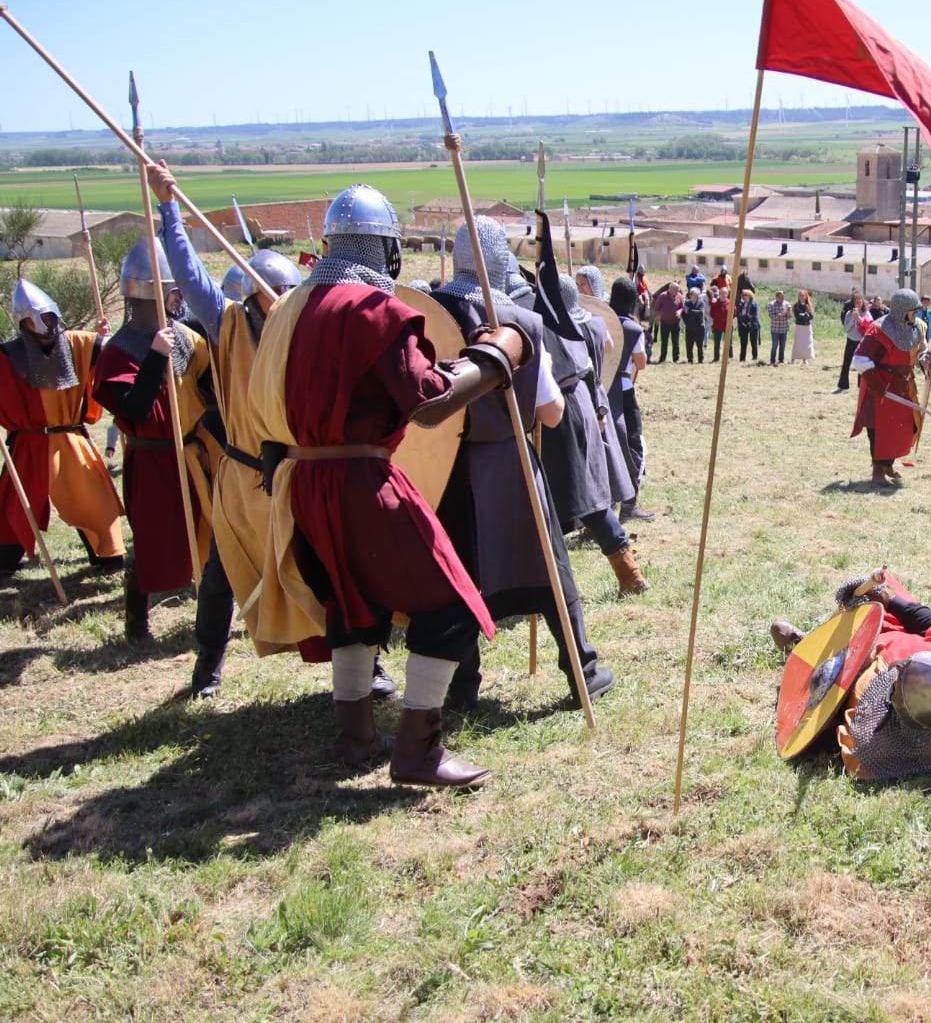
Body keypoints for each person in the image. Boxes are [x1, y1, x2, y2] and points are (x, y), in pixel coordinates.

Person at [245, 183, 537, 788]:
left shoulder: (293, 307)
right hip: (358, 480)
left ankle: (355, 735)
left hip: (304, 479)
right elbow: (428, 403)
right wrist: (496, 355)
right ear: (387, 250)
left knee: (353, 601)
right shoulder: (370, 311)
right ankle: (417, 752)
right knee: (451, 604)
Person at [147, 162, 382, 698]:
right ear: (250, 293)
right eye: (267, 292)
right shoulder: (224, 323)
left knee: (330, 569)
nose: (274, 299)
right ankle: (207, 667)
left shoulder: (305, 322)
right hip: (242, 477)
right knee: (220, 576)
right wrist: (168, 210)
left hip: (296, 473)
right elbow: (188, 275)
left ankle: (366, 668)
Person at [428, 217, 620, 710]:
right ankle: (583, 673)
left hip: (445, 467)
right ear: (498, 260)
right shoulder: (519, 322)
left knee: (457, 572)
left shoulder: (429, 315)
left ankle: (459, 685)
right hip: (509, 462)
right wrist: (545, 373)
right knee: (550, 568)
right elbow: (550, 415)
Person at [768, 571, 931, 781]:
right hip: (894, 634)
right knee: (876, 599)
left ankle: (805, 645)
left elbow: (830, 717)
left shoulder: (868, 720)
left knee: (838, 669)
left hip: (864, 657)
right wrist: (890, 600)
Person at [93, 241, 216, 645]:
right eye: (171, 291)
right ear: (152, 295)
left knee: (207, 536)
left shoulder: (185, 338)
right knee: (154, 542)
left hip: (194, 455)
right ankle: (136, 623)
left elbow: (210, 390)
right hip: (151, 462)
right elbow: (135, 410)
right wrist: (152, 358)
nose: (178, 299)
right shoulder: (118, 352)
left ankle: (210, 620)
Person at [0, 281, 125, 580]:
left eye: (44, 317)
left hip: (70, 439)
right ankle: (6, 556)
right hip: (29, 443)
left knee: (94, 500)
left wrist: (105, 341)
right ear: (22, 323)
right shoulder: (9, 355)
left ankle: (107, 554)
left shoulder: (78, 343)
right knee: (13, 506)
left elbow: (113, 351)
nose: (40, 324)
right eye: (31, 319)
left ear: (54, 315)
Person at [852, 289, 927, 486]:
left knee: (901, 427)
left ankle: (888, 465)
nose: (916, 314)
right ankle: (877, 470)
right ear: (902, 310)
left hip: (902, 385)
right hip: (880, 387)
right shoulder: (879, 330)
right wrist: (877, 385)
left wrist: (924, 358)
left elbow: (919, 350)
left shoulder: (914, 328)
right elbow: (860, 358)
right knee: (878, 429)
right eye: (913, 311)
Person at [605, 277, 654, 523]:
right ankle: (629, 504)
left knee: (606, 443)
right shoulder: (634, 330)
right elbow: (641, 362)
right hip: (623, 391)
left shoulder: (600, 321)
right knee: (633, 444)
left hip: (601, 389)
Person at [836, 293, 866, 392]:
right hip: (851, 341)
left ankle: (860, 386)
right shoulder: (849, 313)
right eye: (856, 303)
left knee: (861, 364)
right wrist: (853, 320)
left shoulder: (866, 313)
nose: (858, 305)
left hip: (861, 342)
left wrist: (859, 319)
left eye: (860, 302)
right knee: (846, 363)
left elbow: (868, 327)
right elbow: (846, 328)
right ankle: (842, 385)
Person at [652, 281, 682, 364]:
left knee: (675, 341)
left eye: (677, 290)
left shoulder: (679, 296)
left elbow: (682, 307)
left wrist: (680, 311)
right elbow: (656, 307)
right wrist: (662, 313)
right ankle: (662, 358)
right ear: (670, 289)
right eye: (675, 290)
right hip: (665, 322)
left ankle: (676, 359)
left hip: (676, 322)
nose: (676, 292)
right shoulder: (663, 296)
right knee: (664, 341)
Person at [735, 288, 760, 364]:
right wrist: (745, 317)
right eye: (743, 295)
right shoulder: (741, 304)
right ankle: (742, 359)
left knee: (753, 342)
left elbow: (754, 316)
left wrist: (745, 317)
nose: (744, 296)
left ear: (750, 296)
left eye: (746, 295)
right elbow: (738, 315)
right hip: (742, 325)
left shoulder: (754, 304)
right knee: (743, 343)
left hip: (752, 325)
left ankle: (754, 358)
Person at [681, 288, 706, 364]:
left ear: (696, 295)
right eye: (690, 294)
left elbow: (700, 313)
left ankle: (700, 360)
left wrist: (689, 311)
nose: (691, 295)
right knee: (689, 345)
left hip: (699, 327)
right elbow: (683, 314)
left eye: (692, 294)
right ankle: (690, 359)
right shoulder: (687, 302)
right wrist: (686, 322)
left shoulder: (701, 302)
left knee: (700, 345)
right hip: (689, 327)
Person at [791, 288, 816, 363]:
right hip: (799, 326)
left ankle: (805, 359)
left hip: (807, 327)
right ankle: (793, 358)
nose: (801, 297)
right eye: (800, 295)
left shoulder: (808, 305)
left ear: (806, 296)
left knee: (806, 343)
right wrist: (804, 316)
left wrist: (807, 314)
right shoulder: (796, 306)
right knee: (797, 343)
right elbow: (797, 316)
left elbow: (811, 317)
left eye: (803, 295)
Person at [767, 290, 791, 366]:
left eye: (783, 297)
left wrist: (788, 313)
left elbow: (790, 317)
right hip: (775, 329)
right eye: (780, 297)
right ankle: (772, 360)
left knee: (782, 345)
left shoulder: (787, 304)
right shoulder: (771, 304)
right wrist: (780, 314)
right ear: (777, 297)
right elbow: (771, 316)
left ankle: (781, 360)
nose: (782, 299)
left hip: (784, 328)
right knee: (775, 345)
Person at [709, 288, 730, 362]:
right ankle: (716, 358)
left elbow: (734, 313)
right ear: (719, 294)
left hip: (727, 326)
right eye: (722, 293)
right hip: (717, 325)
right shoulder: (714, 304)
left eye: (725, 293)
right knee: (717, 343)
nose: (723, 295)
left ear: (727, 294)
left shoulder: (730, 303)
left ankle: (729, 357)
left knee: (729, 342)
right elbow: (711, 314)